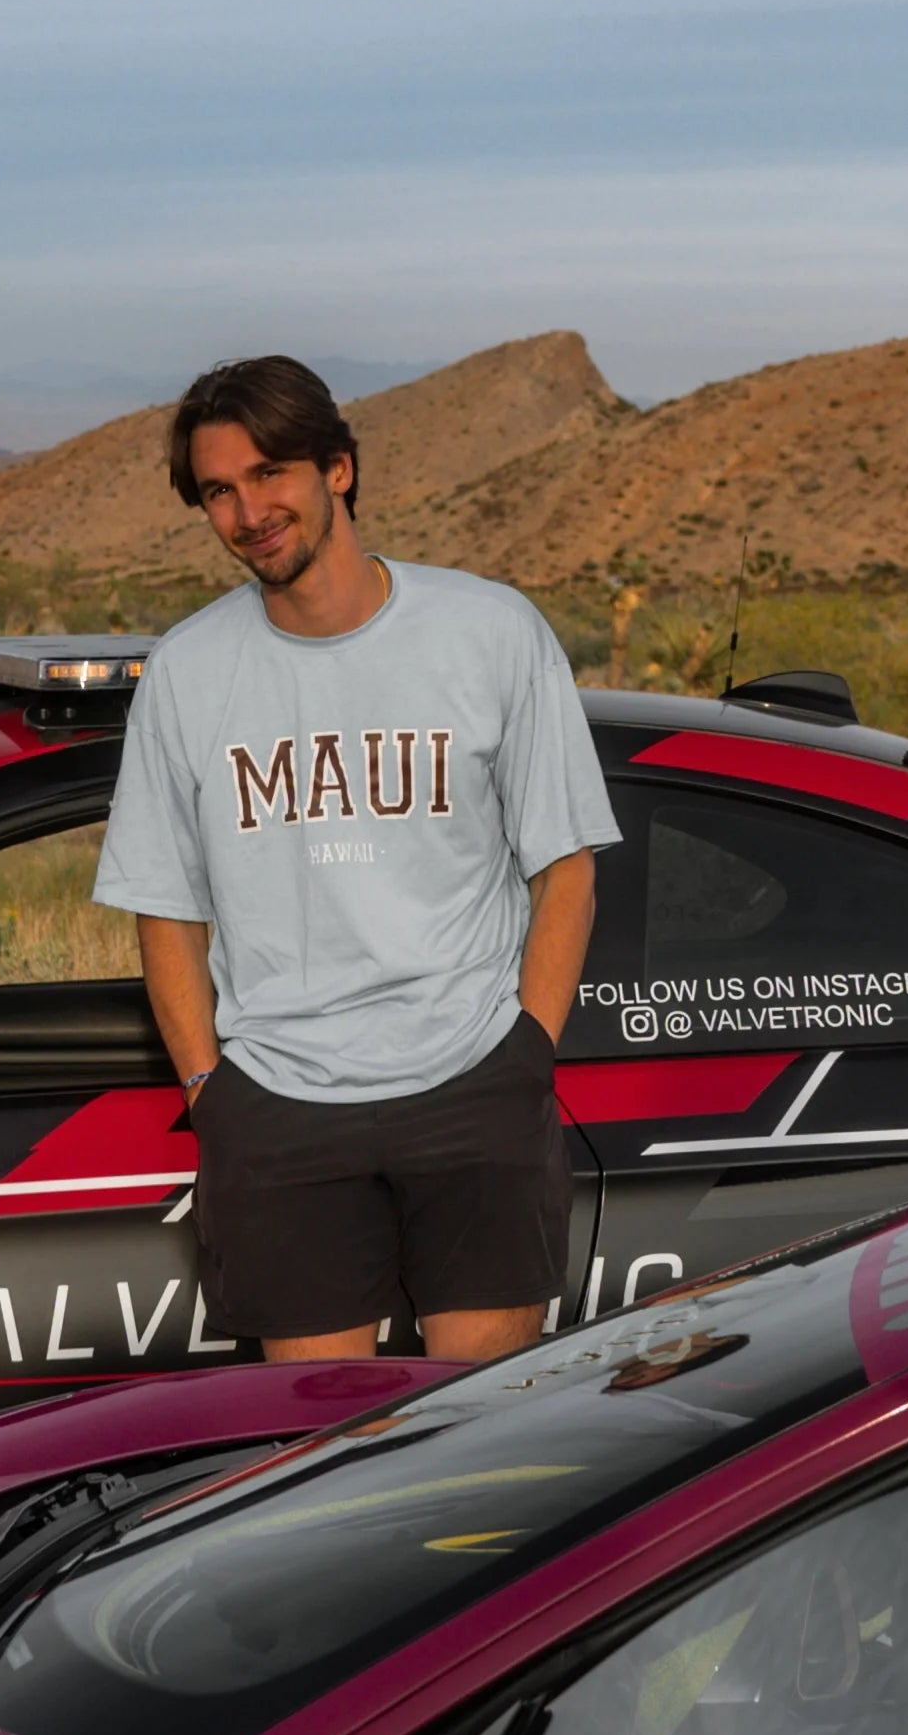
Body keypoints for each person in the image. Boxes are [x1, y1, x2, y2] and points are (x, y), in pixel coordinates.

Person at [93, 354, 615, 1364]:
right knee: (317, 1442)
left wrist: (525, 1054)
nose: (248, 512)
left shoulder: (490, 632)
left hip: (473, 1081)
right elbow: (165, 908)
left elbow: (566, 866)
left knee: (487, 1426)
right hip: (280, 1105)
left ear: (337, 467)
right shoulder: (187, 673)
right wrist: (211, 1092)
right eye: (218, 491)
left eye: (268, 473)